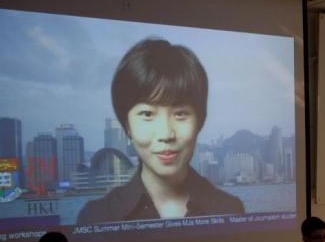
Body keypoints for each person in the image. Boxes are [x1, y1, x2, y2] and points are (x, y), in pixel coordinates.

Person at [77, 38, 244, 223]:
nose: (166, 134)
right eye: (147, 114)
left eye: (180, 114)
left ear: (200, 122)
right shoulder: (96, 217)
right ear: (127, 126)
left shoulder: (229, 210)